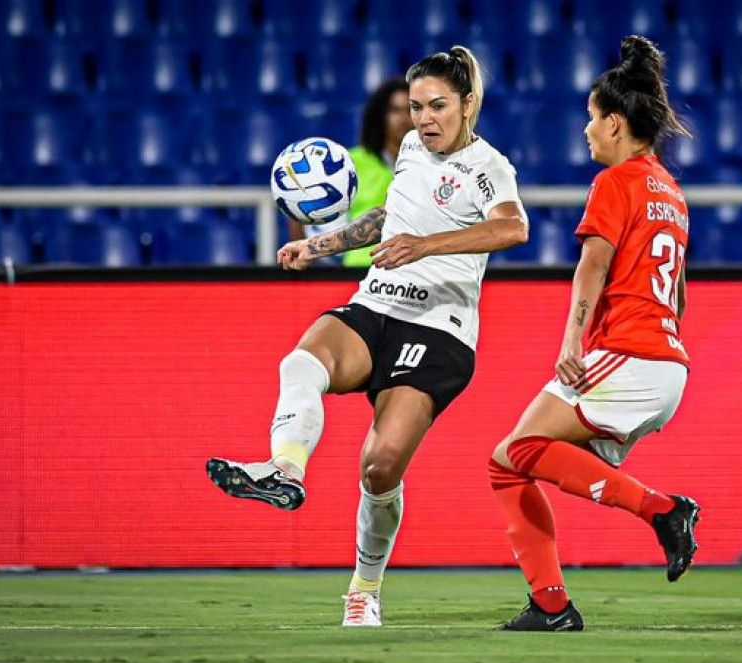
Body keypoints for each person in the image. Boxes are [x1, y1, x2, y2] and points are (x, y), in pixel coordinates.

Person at [206, 46, 528, 627]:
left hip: (439, 329)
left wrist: (425, 247)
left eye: (437, 106)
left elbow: (514, 226)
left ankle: (364, 588)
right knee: (303, 362)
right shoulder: (410, 148)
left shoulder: (490, 168)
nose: (423, 119)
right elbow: (389, 217)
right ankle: (285, 469)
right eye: (415, 107)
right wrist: (320, 243)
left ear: (468, 104)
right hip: (377, 303)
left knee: (380, 467)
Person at [488, 35, 699, 632]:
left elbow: (592, 267)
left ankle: (663, 510)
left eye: (590, 117)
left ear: (615, 121)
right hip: (666, 360)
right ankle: (550, 607)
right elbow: (679, 292)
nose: (585, 130)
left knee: (521, 451)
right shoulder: (671, 191)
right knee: (508, 463)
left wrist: (571, 346)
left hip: (627, 352)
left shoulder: (618, 181)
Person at [288, 78, 413, 267]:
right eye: (394, 111)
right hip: (359, 272)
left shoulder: (433, 166)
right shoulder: (349, 163)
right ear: (380, 117)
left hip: (415, 272)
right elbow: (304, 207)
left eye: (410, 110)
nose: (404, 119)